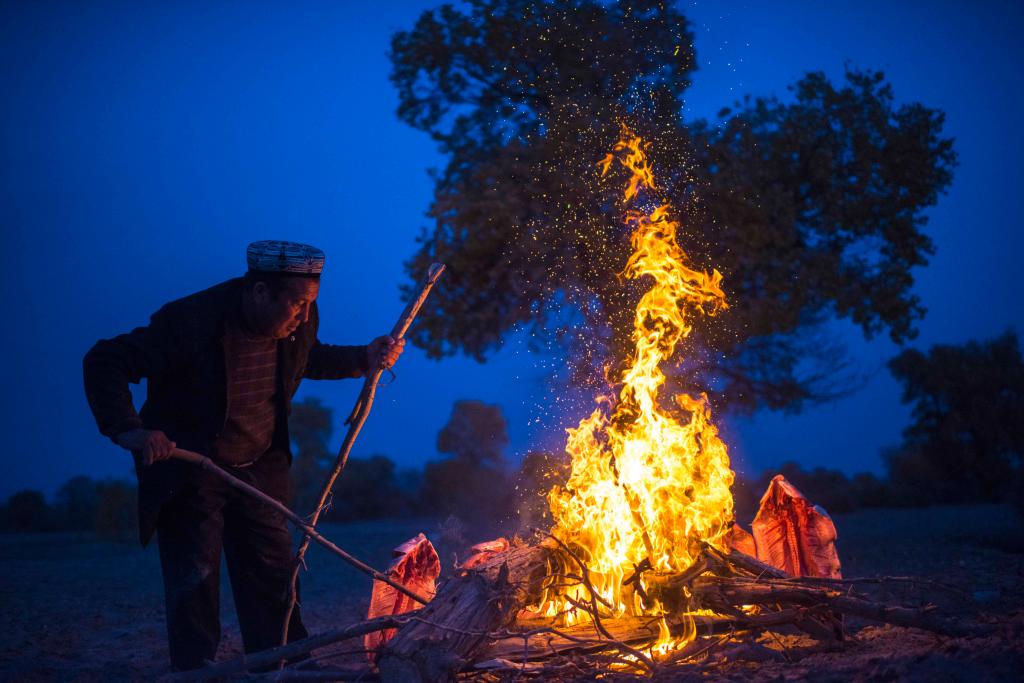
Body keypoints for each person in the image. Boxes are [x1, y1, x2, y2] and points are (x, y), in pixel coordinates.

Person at [82, 240, 404, 671]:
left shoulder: (296, 321)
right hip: (191, 469)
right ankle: (196, 672)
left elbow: (307, 358)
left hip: (260, 466)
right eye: (296, 304)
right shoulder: (189, 322)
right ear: (258, 293)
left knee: (273, 576)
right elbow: (106, 360)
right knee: (194, 581)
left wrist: (364, 358)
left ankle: (285, 666)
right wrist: (131, 430)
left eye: (310, 305)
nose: (304, 316)